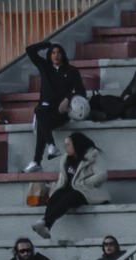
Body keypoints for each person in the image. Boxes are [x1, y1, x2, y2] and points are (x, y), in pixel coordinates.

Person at [24, 41, 88, 171]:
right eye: (53, 52)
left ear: (63, 55)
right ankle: (51, 147)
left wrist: (68, 98)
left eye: (59, 52)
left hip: (61, 112)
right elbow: (30, 50)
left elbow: (81, 91)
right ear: (49, 55)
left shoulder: (71, 71)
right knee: (40, 111)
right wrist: (48, 44)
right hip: (45, 111)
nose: (56, 55)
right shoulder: (44, 66)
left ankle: (38, 160)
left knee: (41, 118)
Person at [32, 132, 107, 240]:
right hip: (68, 189)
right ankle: (46, 226)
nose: (65, 148)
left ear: (76, 144)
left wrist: (85, 183)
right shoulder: (65, 159)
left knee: (69, 197)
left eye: (68, 145)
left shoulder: (92, 155)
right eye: (65, 145)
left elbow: (102, 175)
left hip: (86, 191)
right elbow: (63, 179)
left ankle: (44, 222)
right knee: (55, 197)